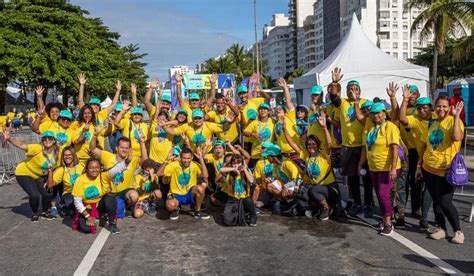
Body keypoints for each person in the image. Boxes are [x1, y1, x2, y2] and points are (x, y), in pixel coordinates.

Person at [415, 98, 465, 244]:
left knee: (445, 201)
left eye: (444, 106)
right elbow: (425, 146)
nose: (441, 109)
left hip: (446, 170)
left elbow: (457, 137)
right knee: (436, 200)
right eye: (438, 106)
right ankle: (441, 228)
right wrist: (419, 166)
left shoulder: (453, 121)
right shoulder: (433, 123)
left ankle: (458, 231)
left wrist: (456, 117)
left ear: (449, 108)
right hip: (428, 168)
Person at [328, 67, 374, 218]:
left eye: (355, 89)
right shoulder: (342, 103)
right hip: (347, 147)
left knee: (366, 178)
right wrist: (335, 82)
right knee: (352, 178)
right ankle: (356, 202)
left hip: (363, 146)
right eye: (350, 89)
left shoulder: (366, 103)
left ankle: (368, 204)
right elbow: (333, 96)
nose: (353, 91)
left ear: (360, 91)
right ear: (346, 91)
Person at [358, 102, 401, 236]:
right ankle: (386, 218)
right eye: (373, 113)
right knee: (380, 195)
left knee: (383, 194)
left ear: (384, 113)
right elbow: (367, 148)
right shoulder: (372, 128)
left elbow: (394, 148)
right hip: (374, 167)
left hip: (386, 167)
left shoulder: (390, 127)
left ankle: (388, 223)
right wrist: (361, 164)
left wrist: (393, 168)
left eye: (378, 113)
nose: (376, 115)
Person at [399, 91, 435, 231]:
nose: (422, 110)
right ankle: (418, 212)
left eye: (425, 107)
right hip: (418, 156)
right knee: (416, 184)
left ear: (430, 108)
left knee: (431, 188)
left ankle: (429, 217)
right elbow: (402, 118)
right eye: (419, 107)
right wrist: (405, 99)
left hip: (435, 159)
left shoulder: (437, 118)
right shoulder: (415, 118)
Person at [5, 129, 59, 221]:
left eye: (50, 138)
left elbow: (57, 166)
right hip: (24, 172)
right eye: (45, 139)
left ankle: (44, 212)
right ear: (42, 141)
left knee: (48, 194)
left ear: (54, 140)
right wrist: (9, 138)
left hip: (38, 175)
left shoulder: (57, 152)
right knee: (34, 195)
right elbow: (22, 145)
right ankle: (35, 213)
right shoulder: (38, 148)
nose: (47, 141)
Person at [90, 129, 148, 213]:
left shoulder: (132, 159)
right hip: (111, 193)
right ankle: (120, 207)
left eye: (127, 148)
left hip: (126, 191)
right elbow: (93, 149)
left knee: (134, 196)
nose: (124, 150)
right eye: (122, 147)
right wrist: (95, 136)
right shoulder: (107, 156)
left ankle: (127, 205)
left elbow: (145, 160)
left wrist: (142, 142)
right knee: (117, 211)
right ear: (117, 148)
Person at [72, 157, 126, 235]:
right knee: (86, 229)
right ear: (87, 169)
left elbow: (115, 170)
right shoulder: (80, 180)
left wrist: (126, 162)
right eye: (91, 168)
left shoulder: (103, 176)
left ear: (100, 168)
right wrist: (87, 216)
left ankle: (112, 222)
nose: (94, 170)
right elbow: (77, 202)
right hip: (87, 207)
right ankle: (99, 218)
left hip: (99, 205)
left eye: (97, 167)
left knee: (110, 197)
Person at [157, 147, 210, 220]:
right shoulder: (173, 165)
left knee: (200, 188)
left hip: (189, 193)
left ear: (191, 157)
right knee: (170, 206)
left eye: (188, 158)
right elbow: (159, 174)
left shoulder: (194, 165)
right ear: (180, 157)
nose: (186, 160)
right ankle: (176, 209)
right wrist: (166, 160)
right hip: (176, 195)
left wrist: (201, 159)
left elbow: (206, 176)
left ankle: (197, 211)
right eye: (184, 158)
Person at [216, 154, 257, 226]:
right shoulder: (229, 172)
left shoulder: (246, 172)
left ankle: (253, 216)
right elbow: (221, 169)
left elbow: (251, 181)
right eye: (234, 163)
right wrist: (233, 169)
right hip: (233, 199)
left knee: (248, 200)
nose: (236, 165)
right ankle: (241, 214)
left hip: (244, 199)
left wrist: (245, 170)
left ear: (242, 163)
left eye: (238, 163)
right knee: (227, 221)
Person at [46, 146, 84, 217]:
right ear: (63, 157)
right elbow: (50, 185)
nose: (67, 157)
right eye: (65, 155)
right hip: (69, 193)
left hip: (82, 192)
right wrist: (50, 171)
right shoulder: (62, 170)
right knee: (70, 202)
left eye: (69, 155)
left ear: (73, 155)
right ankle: (68, 207)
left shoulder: (81, 166)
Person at [243, 103, 275, 168]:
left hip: (269, 152)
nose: (262, 110)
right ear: (258, 112)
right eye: (260, 109)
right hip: (256, 153)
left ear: (268, 111)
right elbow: (244, 132)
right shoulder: (255, 122)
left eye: (265, 109)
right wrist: (252, 134)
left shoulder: (273, 121)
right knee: (257, 174)